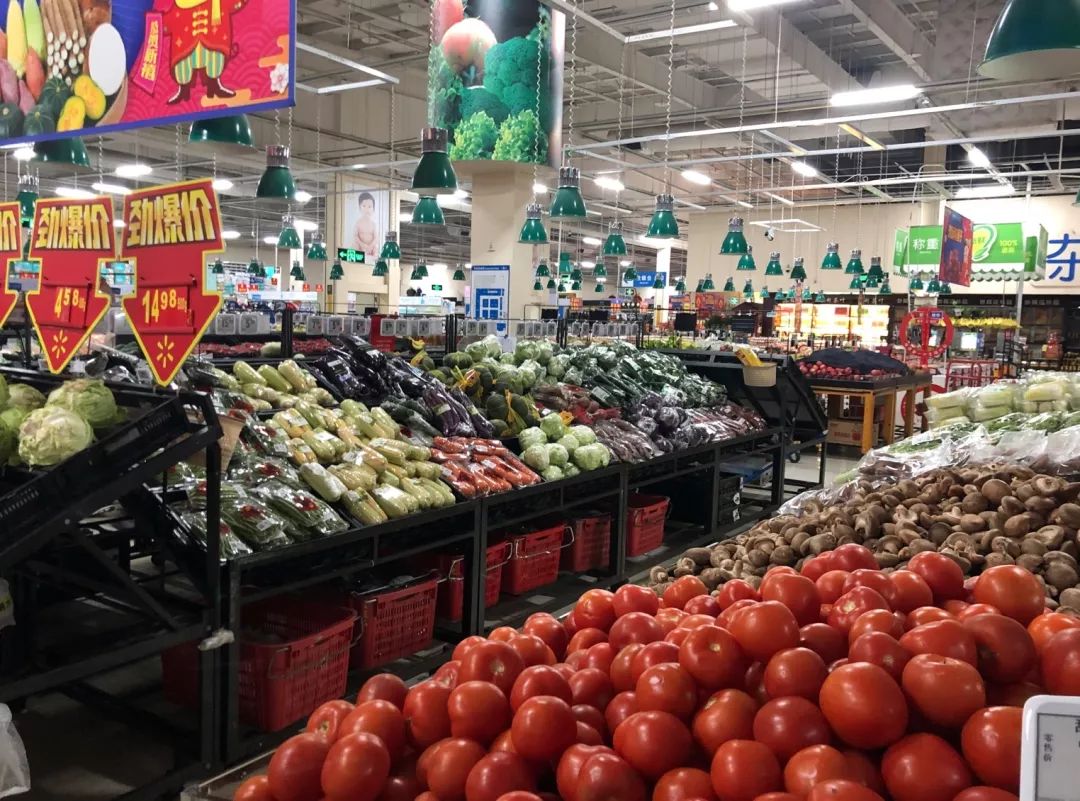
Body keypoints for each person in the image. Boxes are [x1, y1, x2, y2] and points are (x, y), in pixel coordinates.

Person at [352, 192, 379, 261]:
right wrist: (362, 244)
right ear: (359, 208)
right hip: (361, 246)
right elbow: (355, 236)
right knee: (355, 245)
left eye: (369, 207)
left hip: (370, 247)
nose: (367, 209)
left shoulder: (373, 224)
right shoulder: (358, 223)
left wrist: (371, 246)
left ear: (373, 209)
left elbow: (376, 238)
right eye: (364, 206)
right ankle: (357, 260)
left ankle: (374, 260)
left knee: (376, 247)